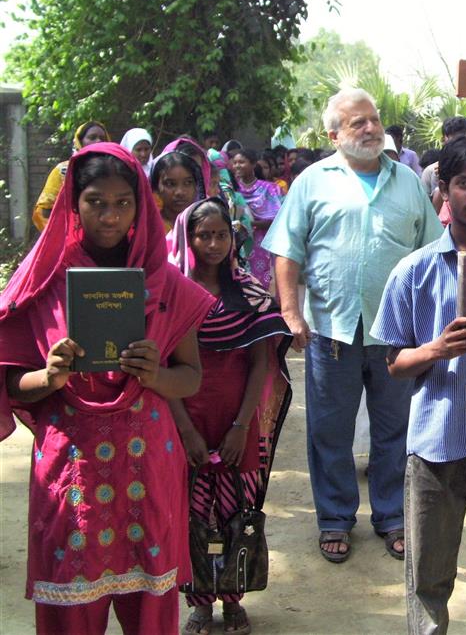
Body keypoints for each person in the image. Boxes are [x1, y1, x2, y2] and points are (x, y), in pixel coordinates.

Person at [0, 143, 213, 634]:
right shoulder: (44, 283)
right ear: (73, 205)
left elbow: (191, 376)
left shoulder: (167, 285)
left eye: (122, 202)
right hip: (70, 470)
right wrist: (49, 376)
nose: (109, 216)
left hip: (147, 464)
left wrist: (156, 375)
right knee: (70, 607)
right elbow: (15, 385)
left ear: (141, 205)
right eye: (96, 201)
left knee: (149, 605)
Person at [263, 88, 442, 564]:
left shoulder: (406, 181)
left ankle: (391, 517)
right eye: (357, 122)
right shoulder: (311, 181)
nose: (370, 128)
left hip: (396, 335)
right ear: (333, 135)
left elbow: (432, 253)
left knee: (395, 431)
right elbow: (287, 249)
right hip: (331, 331)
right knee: (330, 431)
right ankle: (335, 519)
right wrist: (290, 312)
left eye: (374, 119)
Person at [372, 135, 466, 634]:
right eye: (464, 183)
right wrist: (438, 348)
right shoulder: (414, 271)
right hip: (435, 445)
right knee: (429, 580)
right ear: (443, 188)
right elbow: (394, 362)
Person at [166, 198, 292, 635]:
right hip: (186, 416)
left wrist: (242, 427)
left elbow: (261, 363)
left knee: (238, 511)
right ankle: (199, 601)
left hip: (238, 417)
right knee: (192, 514)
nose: (214, 243)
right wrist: (184, 430)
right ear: (189, 237)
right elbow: (162, 370)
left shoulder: (252, 293)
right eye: (204, 235)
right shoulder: (170, 294)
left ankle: (233, 596)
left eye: (222, 234)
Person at [32, 121, 110, 231]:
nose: (98, 141)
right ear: (80, 141)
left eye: (102, 138)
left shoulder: (113, 170)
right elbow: (45, 210)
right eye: (92, 137)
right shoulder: (63, 171)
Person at [232, 149, 283, 290]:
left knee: (265, 283)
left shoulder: (270, 189)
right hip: (240, 242)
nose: (237, 165)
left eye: (241, 162)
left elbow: (278, 218)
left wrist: (249, 223)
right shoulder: (231, 190)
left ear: (253, 164)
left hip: (264, 242)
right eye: (235, 162)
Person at [421, 116, 466, 216]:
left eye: (463, 140)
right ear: (443, 140)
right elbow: (426, 213)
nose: (459, 146)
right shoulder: (430, 172)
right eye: (454, 141)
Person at [151, 151, 206, 232]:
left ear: (196, 187)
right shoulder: (149, 228)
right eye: (170, 184)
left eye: (188, 183)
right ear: (156, 189)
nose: (180, 192)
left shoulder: (206, 224)